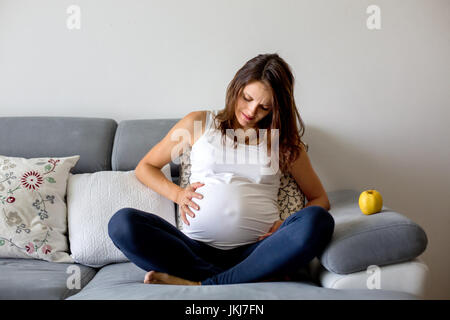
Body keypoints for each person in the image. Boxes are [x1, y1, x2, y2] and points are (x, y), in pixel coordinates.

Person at [108, 53, 335, 286]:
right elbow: (146, 167)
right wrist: (177, 194)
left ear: (276, 109)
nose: (251, 111)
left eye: (264, 107)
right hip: (193, 250)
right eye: (247, 98)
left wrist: (286, 222)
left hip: (258, 252)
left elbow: (319, 198)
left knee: (318, 220)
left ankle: (202, 283)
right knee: (122, 223)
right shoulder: (199, 123)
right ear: (237, 86)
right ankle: (234, 278)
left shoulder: (284, 142)